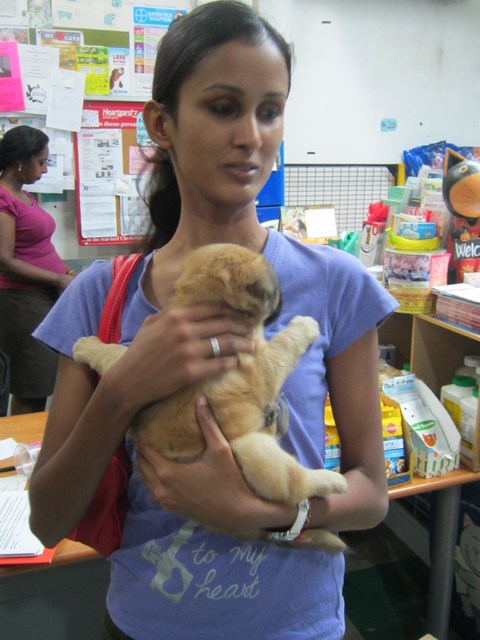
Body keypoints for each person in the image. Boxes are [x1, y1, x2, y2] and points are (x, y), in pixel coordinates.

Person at [29, 2, 398, 638]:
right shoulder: (101, 295)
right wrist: (121, 390)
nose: (251, 135)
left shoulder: (336, 282)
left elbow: (371, 492)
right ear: (162, 124)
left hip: (299, 626)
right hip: (147, 625)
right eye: (223, 107)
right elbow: (47, 520)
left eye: (270, 110)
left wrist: (264, 513)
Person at [0, 125, 76, 415]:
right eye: (41, 162)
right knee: (31, 385)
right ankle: (22, 441)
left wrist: (65, 270)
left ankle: (31, 439)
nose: (45, 169)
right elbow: (5, 260)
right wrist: (57, 278)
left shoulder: (24, 196)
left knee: (42, 381)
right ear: (21, 161)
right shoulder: (3, 198)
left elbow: (38, 247)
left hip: (43, 296)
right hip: (21, 301)